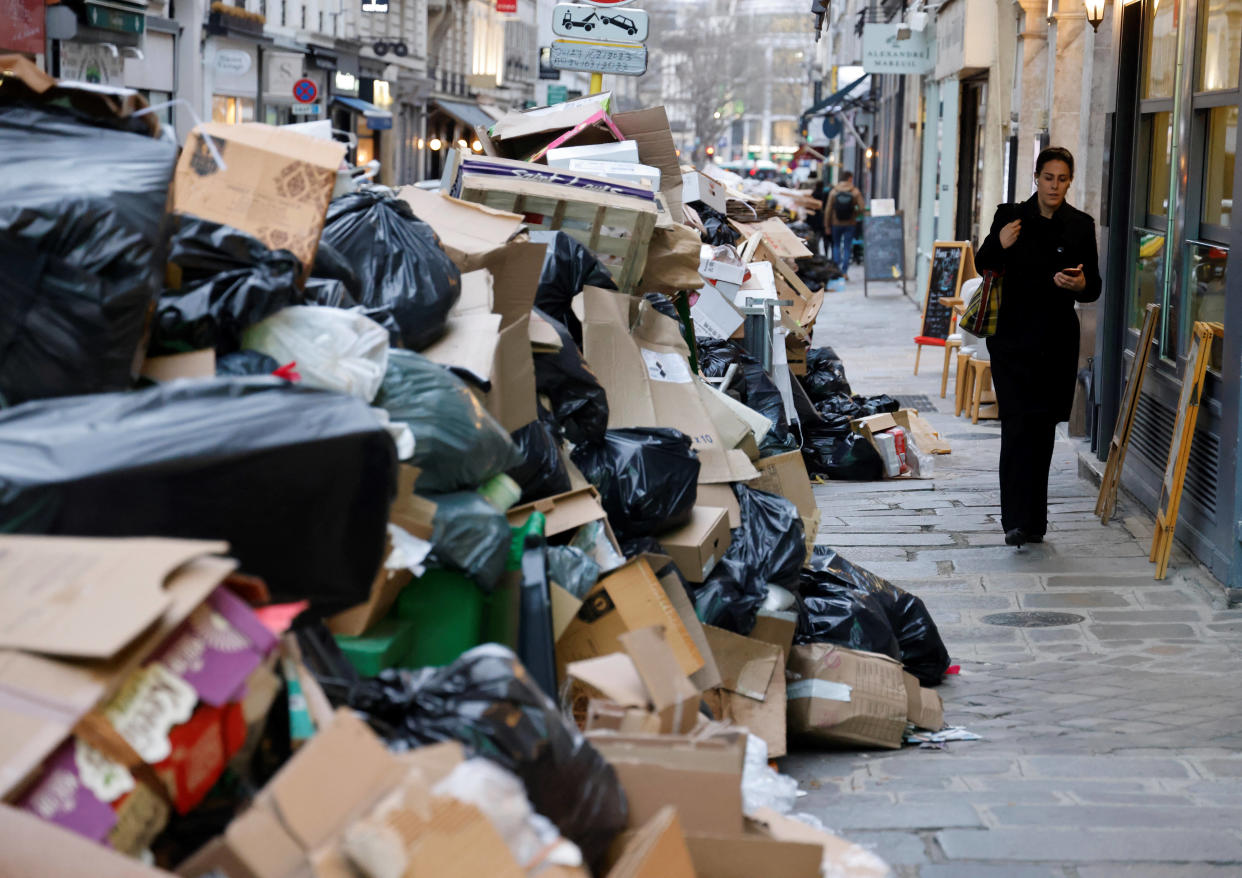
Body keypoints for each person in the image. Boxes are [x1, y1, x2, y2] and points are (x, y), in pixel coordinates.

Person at [975, 146, 1102, 548]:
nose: (1055, 185)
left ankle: (1036, 522)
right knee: (1016, 427)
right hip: (1012, 341)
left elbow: (1094, 285)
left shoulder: (1080, 225)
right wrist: (1000, 241)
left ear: (1070, 182)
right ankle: (1015, 521)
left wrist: (1080, 285)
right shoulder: (1009, 217)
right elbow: (984, 264)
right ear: (1036, 176)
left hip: (1055, 342)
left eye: (1063, 179)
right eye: (1049, 177)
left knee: (1043, 428)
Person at [824, 171, 864, 278]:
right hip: (850, 223)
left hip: (835, 223)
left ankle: (836, 269)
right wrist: (855, 214)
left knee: (836, 245)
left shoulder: (834, 191)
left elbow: (828, 210)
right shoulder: (855, 192)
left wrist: (827, 225)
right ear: (850, 178)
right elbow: (862, 208)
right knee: (847, 247)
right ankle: (844, 271)